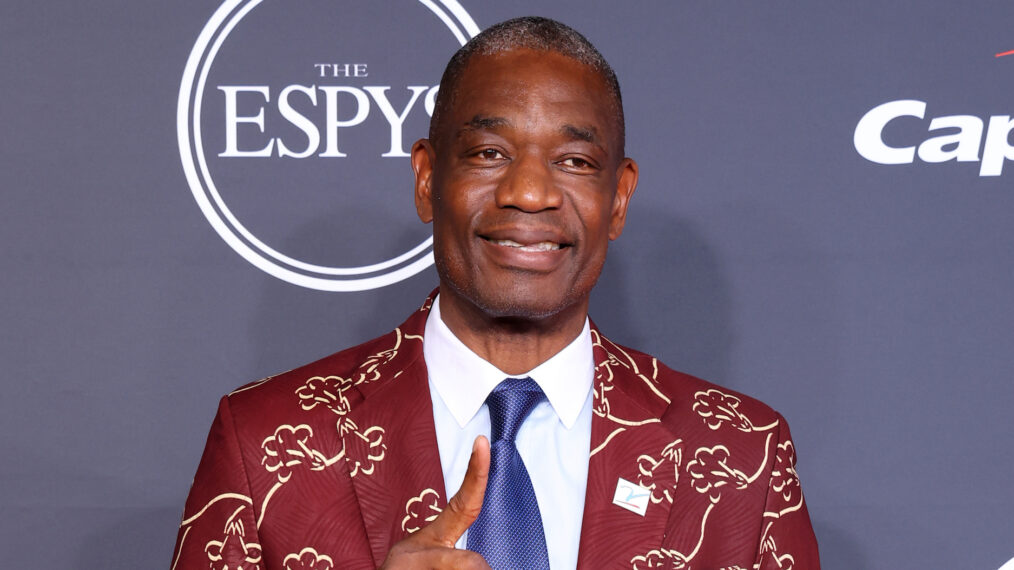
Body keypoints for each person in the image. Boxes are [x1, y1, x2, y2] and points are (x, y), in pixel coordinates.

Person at [171, 16, 820, 570]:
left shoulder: (743, 454)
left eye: (574, 162)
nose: (529, 193)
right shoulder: (265, 440)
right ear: (427, 179)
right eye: (488, 152)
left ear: (618, 199)